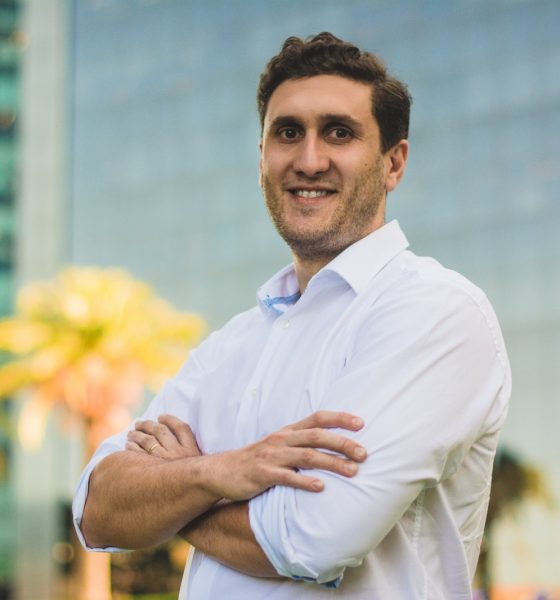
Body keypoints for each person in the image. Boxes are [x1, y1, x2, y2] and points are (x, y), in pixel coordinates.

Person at [73, 32, 511, 598]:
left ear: (393, 163)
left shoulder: (436, 313)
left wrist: (173, 496)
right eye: (287, 133)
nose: (309, 160)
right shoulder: (232, 344)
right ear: (262, 157)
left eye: (339, 132)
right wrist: (217, 472)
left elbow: (312, 539)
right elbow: (96, 510)